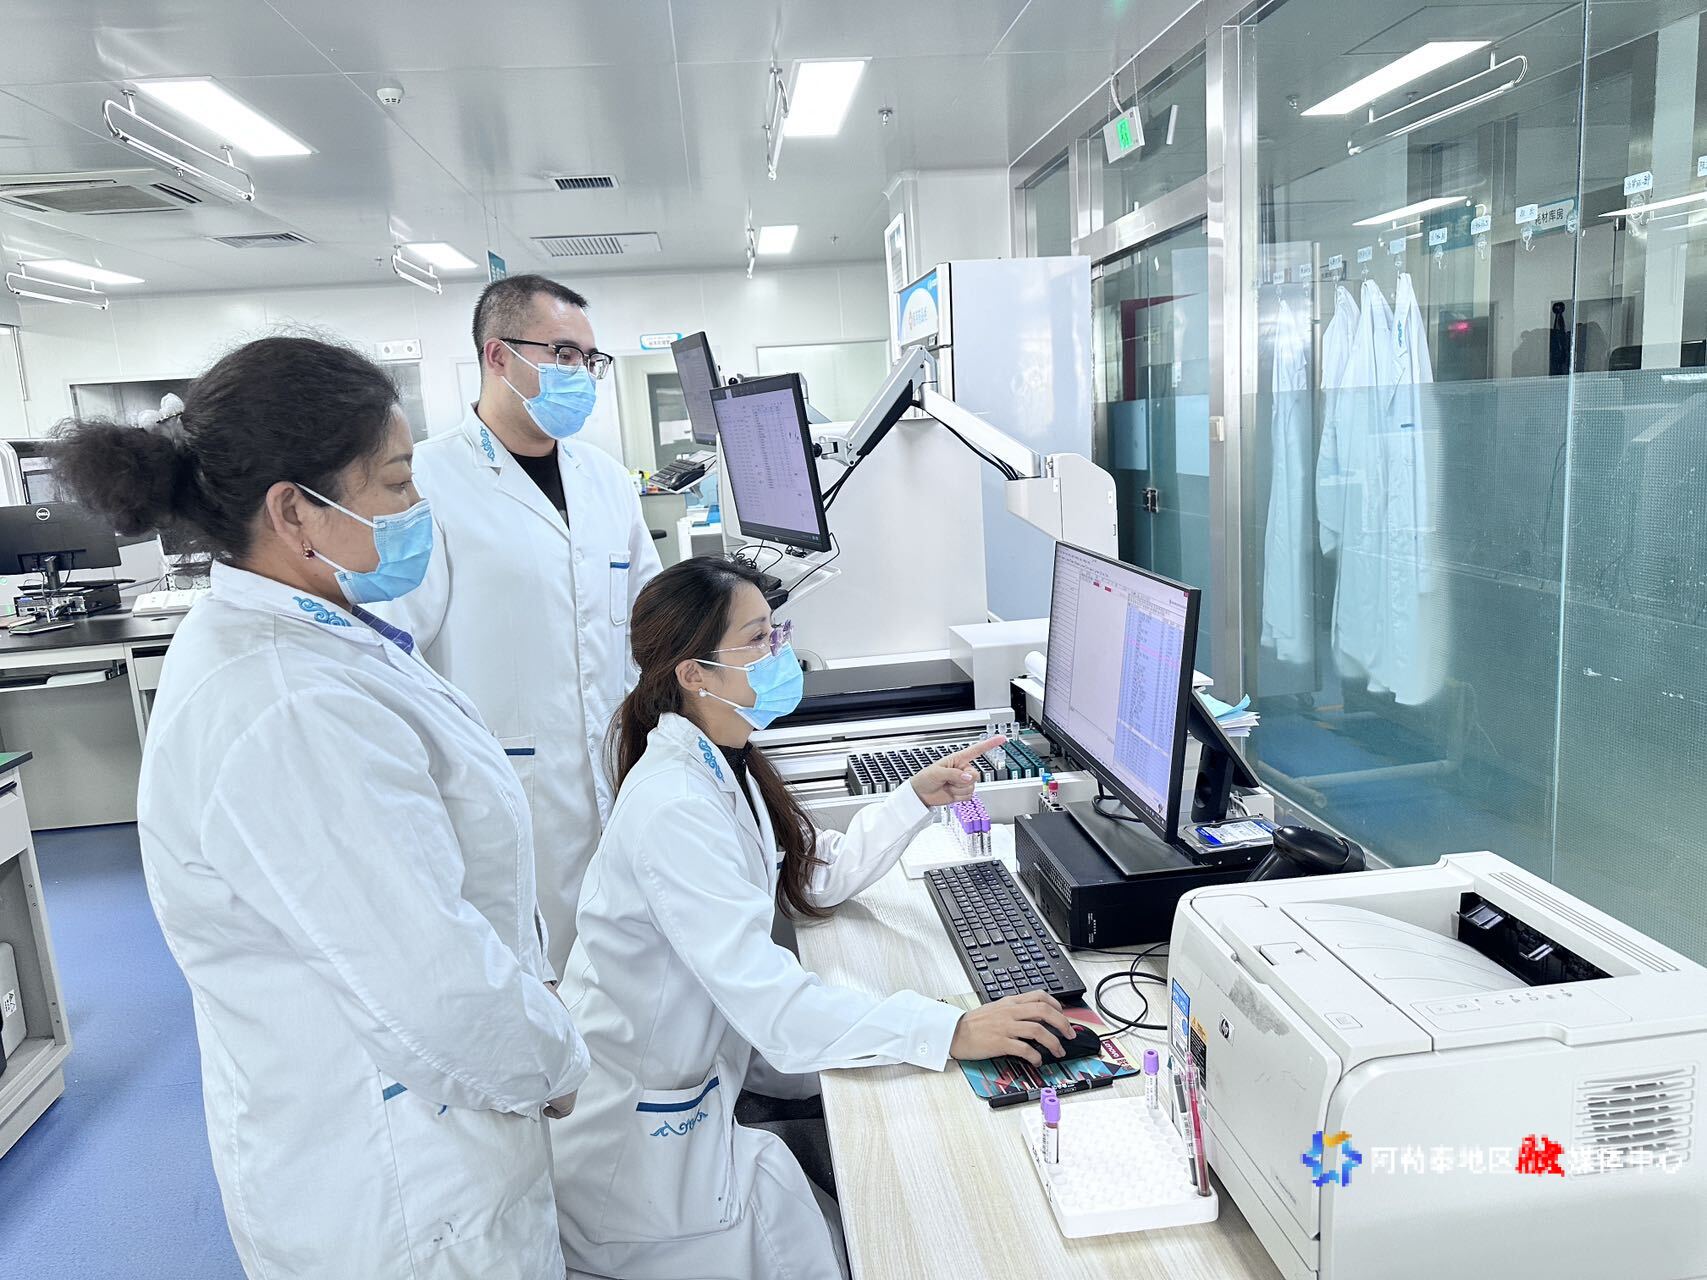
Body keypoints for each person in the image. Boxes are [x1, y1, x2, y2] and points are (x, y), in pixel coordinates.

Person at [53, 336, 586, 1280]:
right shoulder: (287, 705)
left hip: (413, 1140)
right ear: (294, 510)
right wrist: (551, 1062)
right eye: (397, 484)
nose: (417, 510)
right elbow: (433, 987)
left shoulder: (318, 640)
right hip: (402, 1191)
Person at [553, 556, 1075, 1280]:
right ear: (694, 673)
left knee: (846, 1205)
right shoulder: (674, 805)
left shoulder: (719, 760)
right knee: (854, 1237)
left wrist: (913, 799)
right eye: (757, 640)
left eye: (778, 634)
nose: (780, 656)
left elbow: (813, 876)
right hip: (637, 1156)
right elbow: (777, 1009)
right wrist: (950, 1029)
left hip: (700, 1091)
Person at [377, 274, 661, 973]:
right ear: (498, 355)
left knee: (626, 967)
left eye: (589, 359)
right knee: (530, 974)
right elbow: (392, 658)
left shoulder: (605, 480)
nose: (581, 374)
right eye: (562, 354)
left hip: (615, 767)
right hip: (499, 788)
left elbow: (650, 620)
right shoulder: (426, 484)